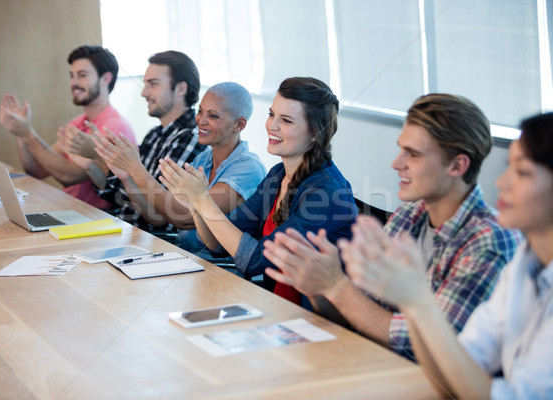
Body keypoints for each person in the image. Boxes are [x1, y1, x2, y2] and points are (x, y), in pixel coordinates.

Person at [262, 93, 520, 359]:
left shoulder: (488, 241)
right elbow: (355, 315)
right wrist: (317, 285)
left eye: (414, 155)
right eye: (401, 149)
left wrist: (336, 286)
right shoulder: (408, 215)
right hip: (371, 365)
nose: (397, 164)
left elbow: (426, 347)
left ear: (457, 165)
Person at [341, 112, 553, 399]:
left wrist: (416, 301)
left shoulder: (491, 240)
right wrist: (412, 302)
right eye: (508, 168)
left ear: (457, 165)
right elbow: (454, 365)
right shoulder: (525, 263)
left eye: (523, 172)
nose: (502, 183)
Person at [159, 77, 357, 309]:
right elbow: (216, 242)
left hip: (313, 320)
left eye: (286, 120)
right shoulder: (277, 175)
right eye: (272, 114)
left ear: (315, 132)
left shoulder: (326, 192)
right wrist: (196, 203)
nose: (271, 125)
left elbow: (255, 260)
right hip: (275, 307)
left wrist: (203, 199)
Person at [90, 82, 266, 253]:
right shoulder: (203, 159)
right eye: (200, 112)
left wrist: (136, 168)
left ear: (239, 125)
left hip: (217, 268)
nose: (201, 120)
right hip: (183, 254)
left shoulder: (248, 168)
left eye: (213, 116)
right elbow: (159, 217)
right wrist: (128, 177)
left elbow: (184, 217)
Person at [63, 50, 206, 231]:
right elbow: (123, 196)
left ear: (180, 89)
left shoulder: (189, 139)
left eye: (153, 84)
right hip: (127, 230)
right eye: (145, 84)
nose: (144, 93)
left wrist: (101, 157)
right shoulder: (154, 134)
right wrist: (93, 162)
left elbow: (159, 215)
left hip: (151, 241)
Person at [0, 45, 136, 209]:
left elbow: (69, 175)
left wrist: (28, 134)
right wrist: (20, 132)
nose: (74, 83)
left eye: (82, 75)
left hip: (96, 217)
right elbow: (37, 170)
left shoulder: (114, 126)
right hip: (68, 210)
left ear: (106, 79)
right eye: (72, 76)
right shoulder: (77, 122)